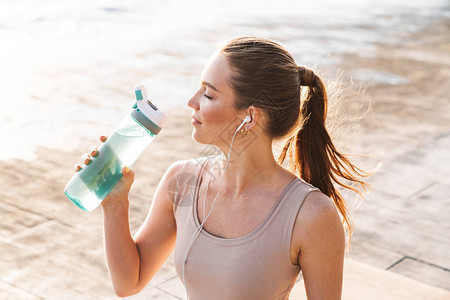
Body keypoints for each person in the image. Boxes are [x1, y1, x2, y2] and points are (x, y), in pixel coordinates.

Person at [76, 37, 371, 299]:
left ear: (250, 118)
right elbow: (129, 283)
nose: (191, 102)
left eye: (208, 94)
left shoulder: (311, 215)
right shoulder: (182, 181)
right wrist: (115, 204)